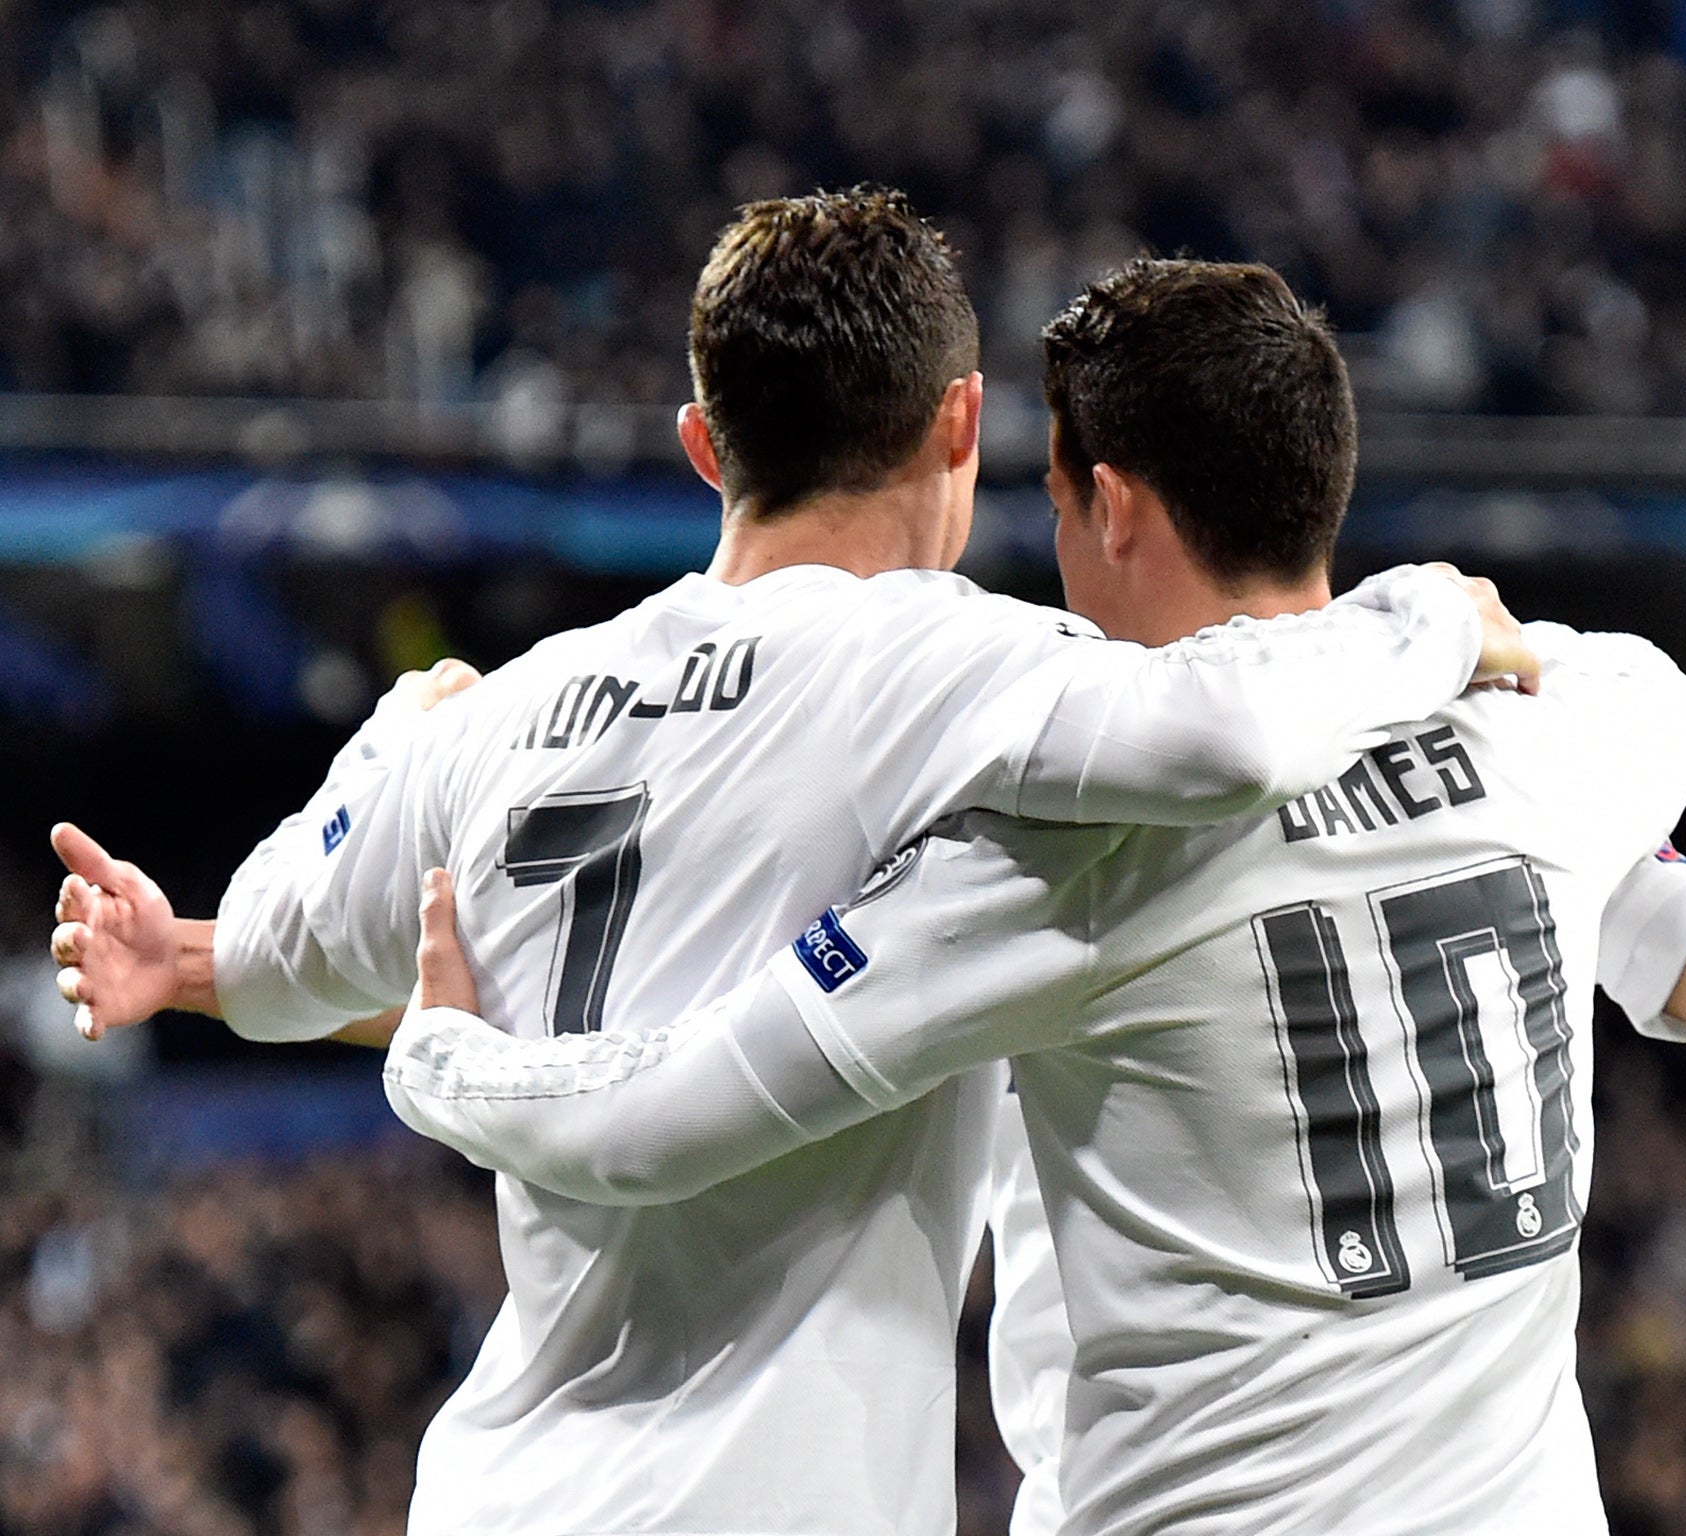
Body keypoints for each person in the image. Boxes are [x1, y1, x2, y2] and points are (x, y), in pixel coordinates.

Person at [379, 259, 1686, 1535]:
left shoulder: (1058, 853)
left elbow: (671, 1111)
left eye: (1048, 491)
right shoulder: (1546, 740)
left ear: (1110, 503)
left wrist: (449, 1059)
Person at [44, 193, 1537, 1536]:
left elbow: (283, 952)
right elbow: (1235, 732)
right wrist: (1428, 623)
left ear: (705, 445)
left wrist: (253, 873)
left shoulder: (499, 718)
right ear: (962, 428)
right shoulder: (948, 669)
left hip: (499, 1490)